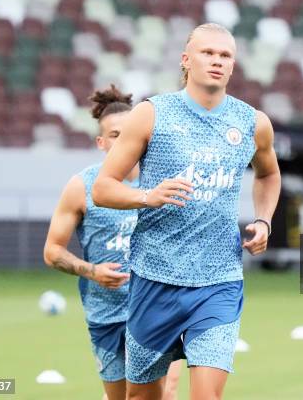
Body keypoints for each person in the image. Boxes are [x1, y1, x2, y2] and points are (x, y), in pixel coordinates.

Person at [92, 23, 281, 400]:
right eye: (207, 53)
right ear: (186, 60)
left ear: (233, 65)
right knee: (140, 397)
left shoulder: (252, 123)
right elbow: (102, 188)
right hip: (154, 279)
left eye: (225, 55)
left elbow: (269, 174)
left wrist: (263, 219)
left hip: (219, 280)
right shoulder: (151, 114)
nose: (216, 61)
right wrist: (149, 196)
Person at [43, 85, 181, 400]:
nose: (124, 140)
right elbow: (52, 252)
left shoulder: (164, 182)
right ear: (102, 143)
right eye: (116, 135)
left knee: (162, 392)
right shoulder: (82, 187)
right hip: (105, 314)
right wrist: (92, 271)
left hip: (156, 307)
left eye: (130, 132)